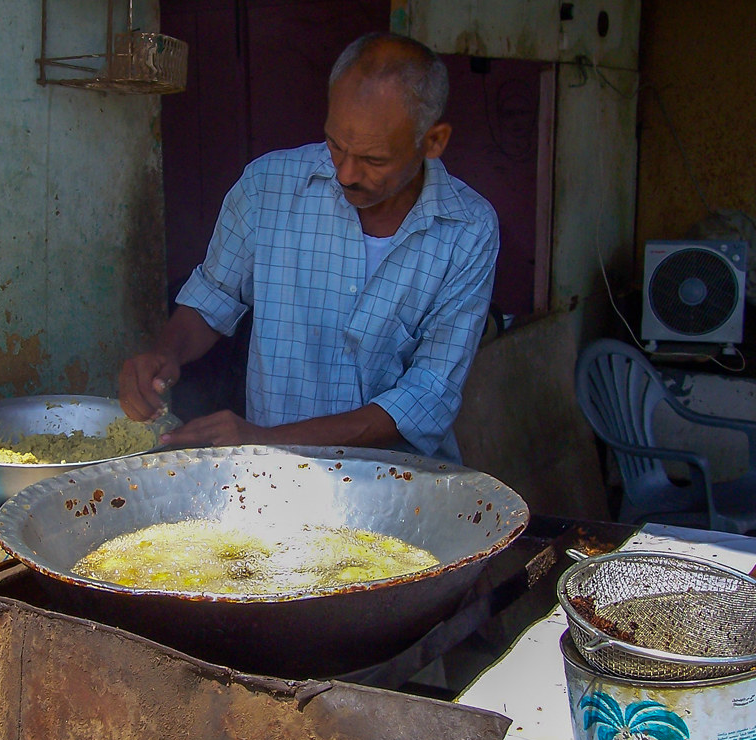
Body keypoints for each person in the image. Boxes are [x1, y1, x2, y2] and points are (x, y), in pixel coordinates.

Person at [119, 31, 499, 463]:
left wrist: (267, 438)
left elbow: (426, 396)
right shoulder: (268, 186)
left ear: (433, 141)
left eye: (374, 160)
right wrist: (166, 353)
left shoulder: (468, 229)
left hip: (398, 488)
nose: (347, 174)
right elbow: (212, 299)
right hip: (274, 482)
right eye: (336, 144)